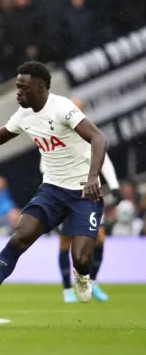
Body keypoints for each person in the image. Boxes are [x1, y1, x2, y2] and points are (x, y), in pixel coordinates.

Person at [0, 62, 108, 327]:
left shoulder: (63, 108)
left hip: (83, 193)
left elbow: (98, 138)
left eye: (23, 87)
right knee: (19, 238)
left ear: (41, 88)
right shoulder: (24, 115)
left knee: (81, 258)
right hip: (52, 191)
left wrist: (92, 178)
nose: (18, 93)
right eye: (17, 87)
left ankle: (82, 274)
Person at [53, 98, 121, 303]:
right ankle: (67, 289)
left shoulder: (89, 130)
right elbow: (45, 164)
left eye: (78, 109)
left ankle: (92, 281)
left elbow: (104, 158)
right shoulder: (57, 132)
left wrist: (114, 185)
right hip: (65, 192)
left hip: (89, 193)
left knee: (99, 237)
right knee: (65, 242)